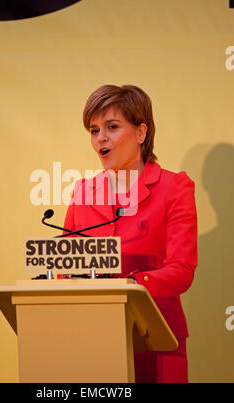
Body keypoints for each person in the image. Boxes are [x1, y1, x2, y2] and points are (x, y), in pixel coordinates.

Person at [63, 84, 198, 383]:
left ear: (141, 133)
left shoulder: (175, 188)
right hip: (92, 339)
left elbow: (181, 270)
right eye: (94, 130)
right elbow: (66, 265)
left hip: (157, 340)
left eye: (112, 127)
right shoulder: (84, 191)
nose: (101, 138)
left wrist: (130, 287)